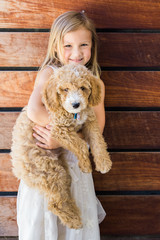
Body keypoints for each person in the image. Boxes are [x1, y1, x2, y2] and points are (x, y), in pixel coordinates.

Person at [17, 11, 107, 240]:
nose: (76, 53)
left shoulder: (94, 82)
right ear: (56, 45)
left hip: (75, 163)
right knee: (45, 219)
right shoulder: (50, 75)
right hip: (47, 161)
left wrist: (65, 139)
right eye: (68, 45)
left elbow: (98, 126)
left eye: (83, 45)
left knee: (75, 226)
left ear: (92, 46)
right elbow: (35, 110)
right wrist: (61, 131)